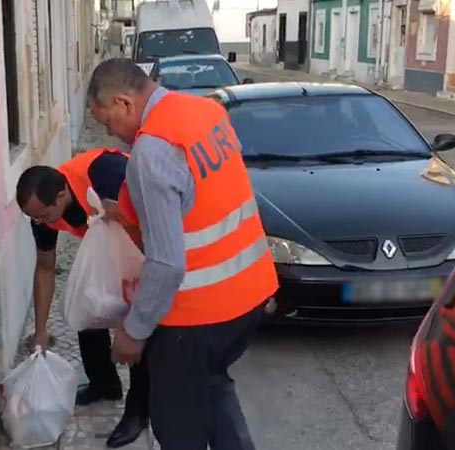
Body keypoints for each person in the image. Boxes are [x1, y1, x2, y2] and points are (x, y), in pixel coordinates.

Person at [86, 58, 279, 450]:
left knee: (178, 428)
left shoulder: (152, 152)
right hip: (251, 294)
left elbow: (167, 262)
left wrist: (133, 331)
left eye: (108, 123)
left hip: (197, 318)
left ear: (124, 103)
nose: (112, 135)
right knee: (213, 388)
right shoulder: (206, 111)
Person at [16, 148, 149, 448]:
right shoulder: (43, 217)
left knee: (140, 323)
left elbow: (152, 218)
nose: (39, 222)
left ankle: (139, 410)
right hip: (106, 245)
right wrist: (40, 330)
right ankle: (104, 384)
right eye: (33, 217)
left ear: (61, 195)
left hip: (142, 243)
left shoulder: (107, 172)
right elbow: (46, 268)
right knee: (88, 306)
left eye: (42, 215)